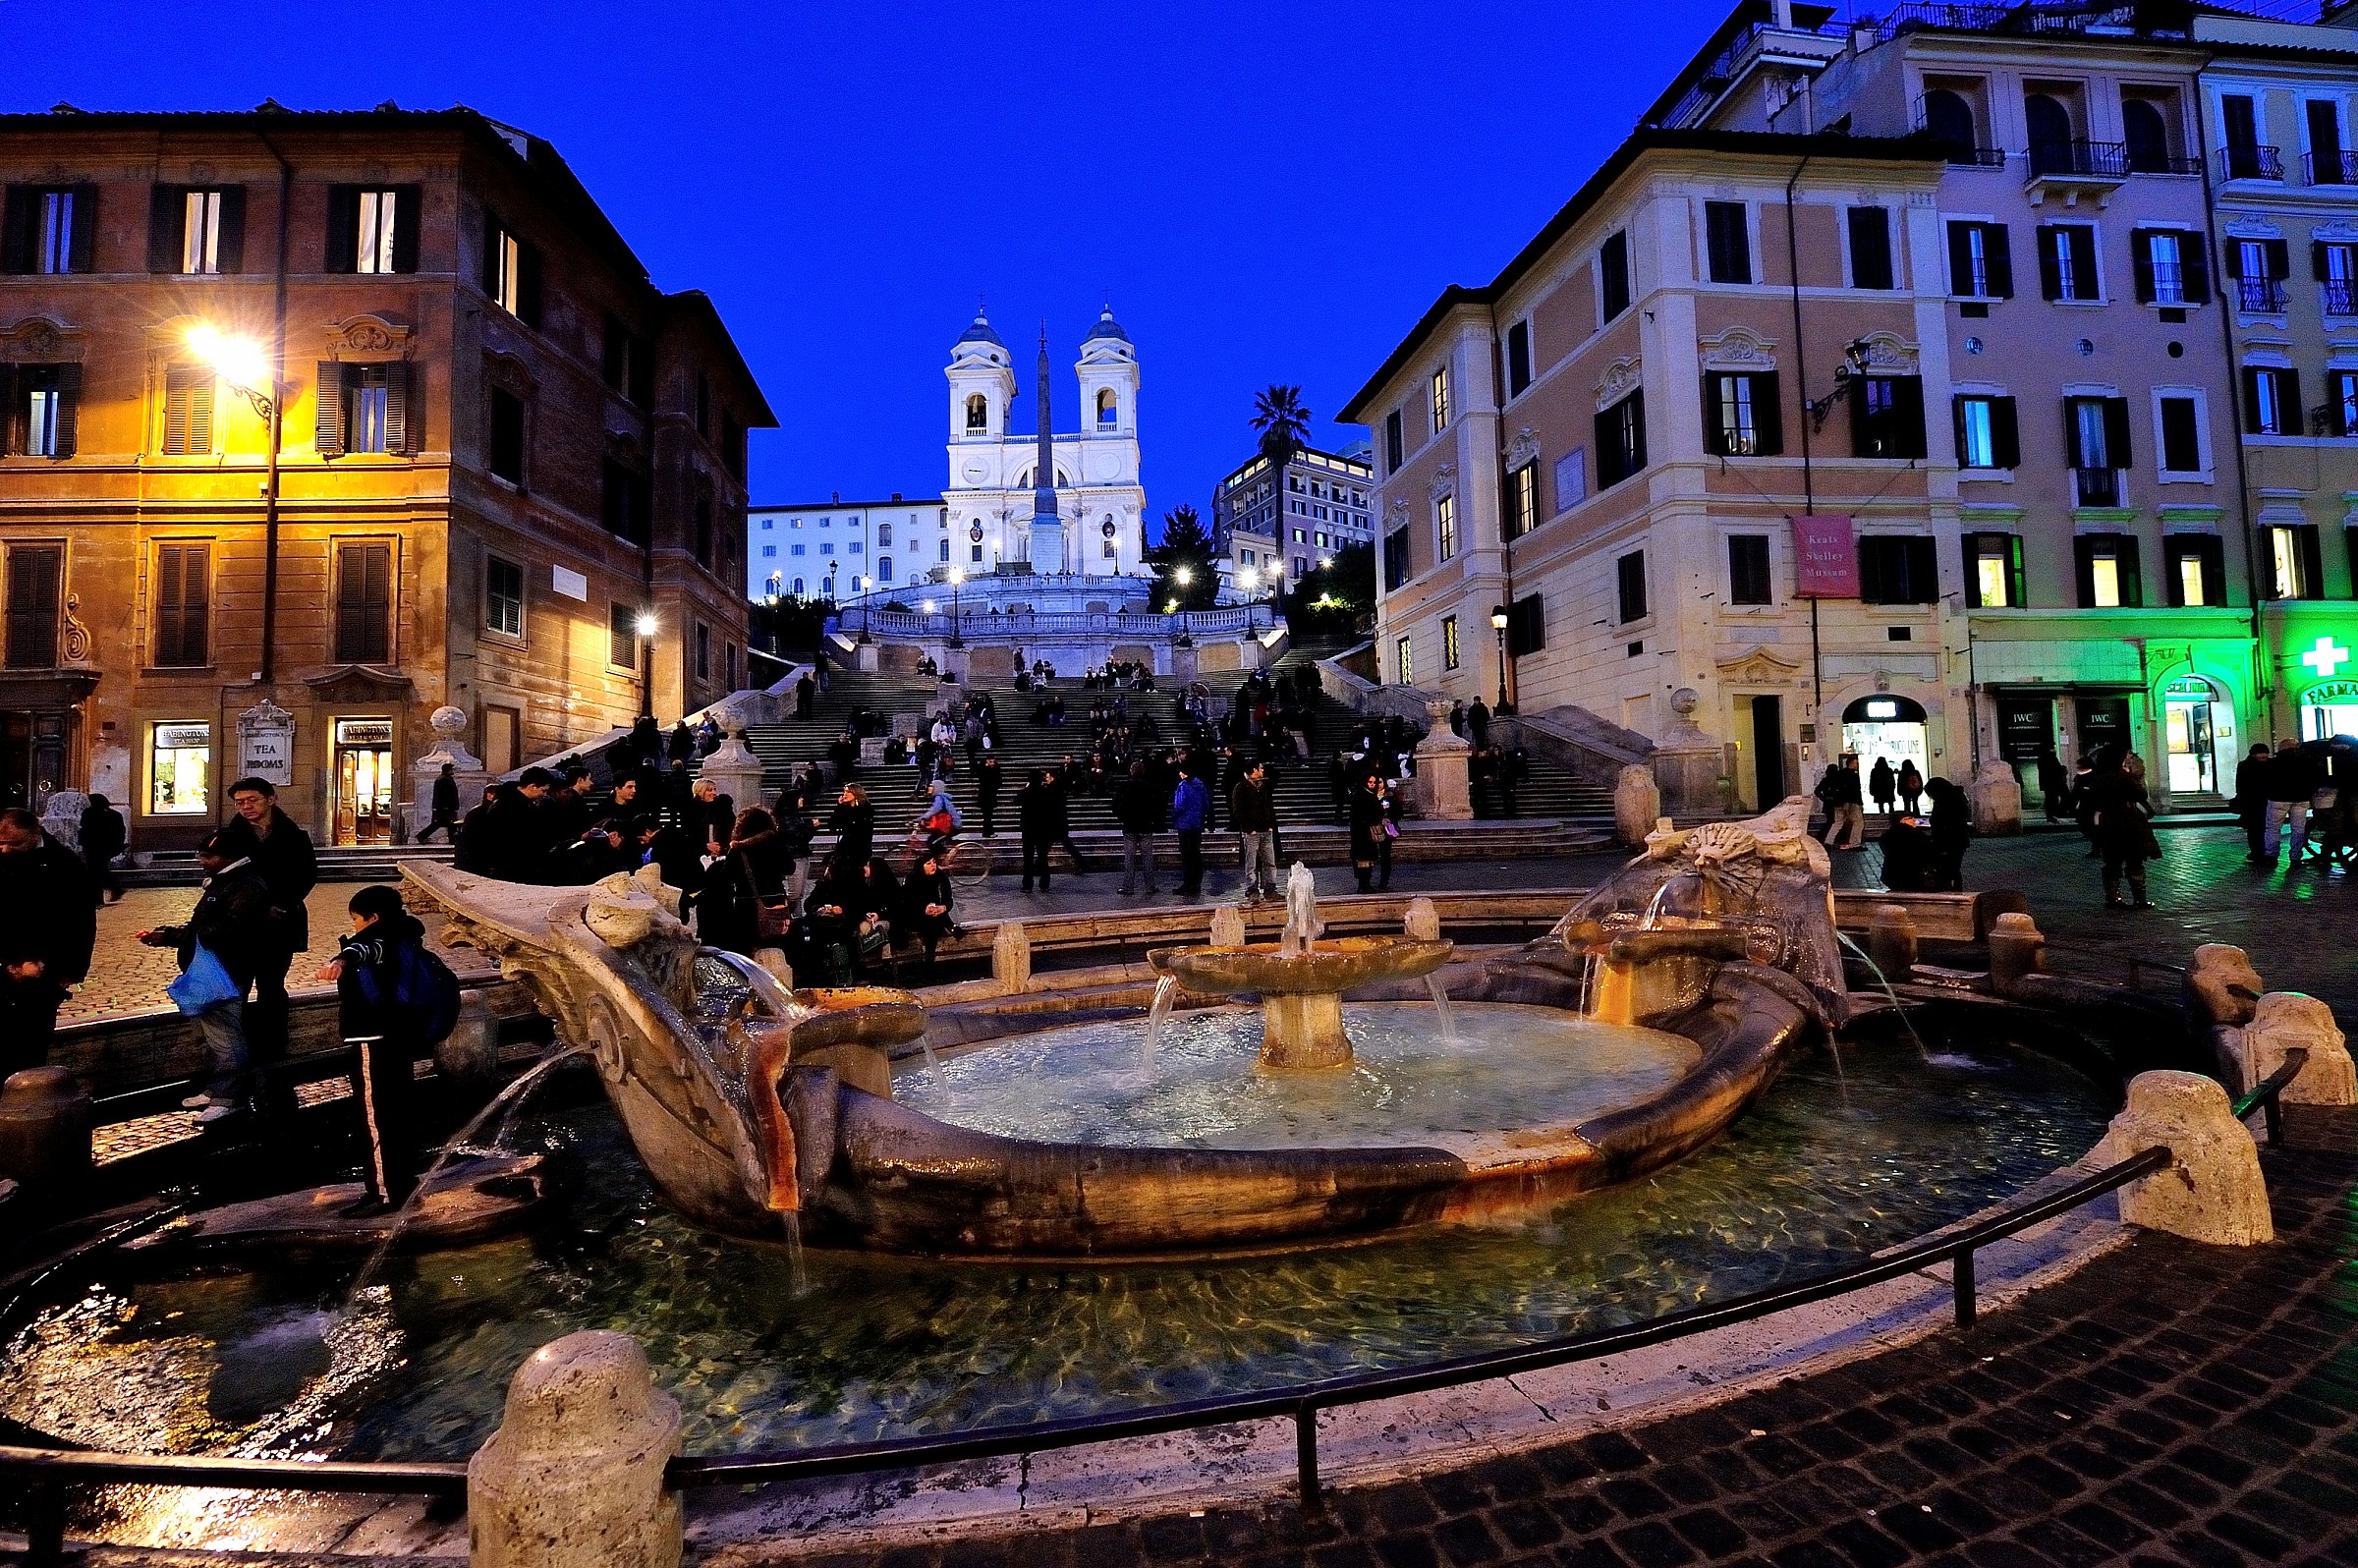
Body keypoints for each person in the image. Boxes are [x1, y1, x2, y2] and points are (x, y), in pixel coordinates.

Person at [317, 885, 438, 1214]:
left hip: (373, 1037)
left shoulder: (379, 939)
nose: (355, 926)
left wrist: (340, 959)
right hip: (400, 1034)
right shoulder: (406, 936)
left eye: (356, 919)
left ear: (373, 917)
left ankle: (385, 1194)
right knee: (398, 1111)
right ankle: (406, 1182)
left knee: (376, 1116)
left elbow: (364, 951)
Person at [137, 831, 271, 1121]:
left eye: (208, 856)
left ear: (229, 858)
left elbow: (225, 929)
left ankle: (228, 1097)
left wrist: (171, 936)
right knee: (210, 1035)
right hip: (211, 968)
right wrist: (171, 933)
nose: (201, 861)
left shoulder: (246, 885)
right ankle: (215, 1088)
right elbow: (205, 923)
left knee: (225, 1036)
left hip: (226, 969)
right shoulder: (225, 881)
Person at [213, 777, 317, 1093]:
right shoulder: (229, 838)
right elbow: (220, 878)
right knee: (239, 986)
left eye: (252, 800)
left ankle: (275, 1048)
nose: (246, 807)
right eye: (240, 802)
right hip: (240, 926)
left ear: (271, 799)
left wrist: (281, 904)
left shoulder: (294, 835)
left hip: (280, 924)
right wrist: (258, 908)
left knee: (272, 985)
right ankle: (239, 1049)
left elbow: (306, 875)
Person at [0, 808, 98, 1074]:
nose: (6, 850)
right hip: (4, 965)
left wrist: (64, 969)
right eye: (1, 843)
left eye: (15, 843)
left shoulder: (64, 865)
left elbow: (79, 924)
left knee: (30, 1044)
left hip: (43, 971)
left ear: (35, 833)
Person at [701, 808, 793, 957]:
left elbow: (727, 877)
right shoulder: (775, 843)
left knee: (747, 950)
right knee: (777, 947)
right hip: (775, 901)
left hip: (746, 905)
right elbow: (789, 868)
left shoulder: (737, 848)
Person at [2084, 750, 2161, 911]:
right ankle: (2139, 899)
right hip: (2129, 822)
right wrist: (2136, 778)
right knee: (2134, 860)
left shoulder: (2098, 779)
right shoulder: (2123, 777)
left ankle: (2113, 898)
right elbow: (2141, 794)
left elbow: (2092, 801)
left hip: (2108, 822)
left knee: (2112, 862)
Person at [2263, 738, 2320, 866]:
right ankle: (2295, 856)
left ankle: (2271, 855)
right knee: (2299, 828)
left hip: (2278, 799)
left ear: (2281, 749)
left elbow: (2266, 781)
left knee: (2273, 828)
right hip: (2301, 799)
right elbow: (2314, 779)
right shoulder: (2307, 761)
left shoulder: (2273, 763)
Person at [1231, 760, 1280, 903]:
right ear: (1254, 770)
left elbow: (1268, 805)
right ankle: (1252, 890)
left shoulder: (1263, 786)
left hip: (1266, 829)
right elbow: (1238, 810)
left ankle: (1270, 889)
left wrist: (1270, 824)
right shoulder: (1240, 787)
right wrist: (1248, 828)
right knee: (1251, 862)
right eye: (1260, 768)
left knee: (1270, 861)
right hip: (1252, 831)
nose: (1263, 770)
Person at [896, 851, 956, 967]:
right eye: (928, 863)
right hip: (914, 914)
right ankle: (949, 926)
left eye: (934, 862)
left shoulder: (941, 877)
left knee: (933, 921)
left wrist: (943, 908)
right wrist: (924, 909)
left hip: (936, 914)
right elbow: (907, 904)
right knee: (931, 922)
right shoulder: (912, 879)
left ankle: (929, 960)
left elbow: (948, 899)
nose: (933, 865)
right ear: (921, 866)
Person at [1113, 759, 1161, 896]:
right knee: (1147, 857)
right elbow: (1157, 805)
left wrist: (1122, 818)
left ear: (1131, 771)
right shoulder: (1149, 786)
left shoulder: (1124, 786)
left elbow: (1115, 805)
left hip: (1129, 826)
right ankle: (1150, 886)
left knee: (1129, 858)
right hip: (1146, 826)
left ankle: (1128, 887)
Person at [1170, 761, 1210, 898]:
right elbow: (1206, 803)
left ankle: (1187, 884)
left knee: (1187, 855)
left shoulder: (1183, 786)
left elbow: (1179, 805)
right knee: (1196, 853)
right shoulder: (1200, 784)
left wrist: (1174, 815)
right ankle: (1196, 884)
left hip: (1184, 824)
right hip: (1197, 823)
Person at [1926, 777, 1973, 891]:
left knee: (1951, 869)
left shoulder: (1949, 799)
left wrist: (1936, 823)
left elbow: (1950, 819)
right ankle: (1953, 890)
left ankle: (1954, 891)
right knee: (1951, 868)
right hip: (1953, 838)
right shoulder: (1951, 797)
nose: (1932, 797)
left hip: (1952, 839)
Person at [1016, 768, 1058, 893]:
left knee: (1028, 858)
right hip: (1043, 829)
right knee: (1043, 857)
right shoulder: (1047, 792)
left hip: (1028, 829)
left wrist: (1026, 788)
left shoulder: (1026, 792)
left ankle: (1027, 884)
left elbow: (1016, 801)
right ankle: (1044, 883)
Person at [80, 792, 126, 903]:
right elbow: (121, 832)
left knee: (96, 871)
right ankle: (110, 890)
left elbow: (84, 828)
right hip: (105, 847)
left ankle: (107, 892)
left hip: (94, 846)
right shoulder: (115, 815)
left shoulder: (89, 813)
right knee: (99, 870)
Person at [2232, 742, 2274, 863]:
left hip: (2261, 801)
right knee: (2256, 829)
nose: (2264, 759)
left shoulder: (2244, 765)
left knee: (2258, 829)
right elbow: (2241, 785)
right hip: (2253, 802)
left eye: (2265, 756)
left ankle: (2260, 852)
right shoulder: (2246, 766)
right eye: (2261, 756)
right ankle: (2258, 852)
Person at [1349, 773, 1389, 893]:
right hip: (1362, 834)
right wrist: (1380, 811)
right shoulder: (1363, 796)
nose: (1372, 785)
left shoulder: (1367, 795)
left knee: (1367, 859)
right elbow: (1365, 814)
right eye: (1370, 782)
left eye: (1374, 782)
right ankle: (1363, 885)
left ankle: (1366, 884)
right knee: (1363, 860)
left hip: (1365, 833)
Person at [1816, 755, 1865, 850]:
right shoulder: (1853, 774)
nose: (1857, 765)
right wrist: (1860, 803)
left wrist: (1827, 798)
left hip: (1838, 803)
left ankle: (1828, 842)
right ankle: (1855, 844)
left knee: (1837, 823)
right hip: (1851, 802)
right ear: (1851, 763)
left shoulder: (1839, 774)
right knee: (1858, 822)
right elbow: (1856, 790)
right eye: (1856, 763)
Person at [828, 782, 875, 872]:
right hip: (844, 850)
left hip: (860, 849)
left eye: (848, 792)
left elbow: (863, 829)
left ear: (856, 793)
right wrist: (839, 807)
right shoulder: (843, 809)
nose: (844, 794)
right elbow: (832, 825)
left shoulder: (866, 809)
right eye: (844, 792)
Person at [418, 764, 462, 845]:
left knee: (446, 824)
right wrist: (447, 806)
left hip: (446, 807)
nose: (453, 771)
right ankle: (453, 841)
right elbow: (444, 795)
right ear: (448, 770)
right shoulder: (444, 780)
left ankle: (453, 841)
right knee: (447, 824)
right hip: (445, 807)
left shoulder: (445, 779)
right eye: (452, 769)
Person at [2036, 749, 2071, 824]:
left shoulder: (2042, 758)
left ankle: (2053, 816)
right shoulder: (2050, 758)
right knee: (2060, 797)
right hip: (2055, 782)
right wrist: (2062, 770)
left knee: (2051, 799)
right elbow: (2055, 770)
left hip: (2049, 783)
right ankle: (2058, 814)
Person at [976, 753, 1004, 837]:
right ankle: (988, 832)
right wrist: (988, 768)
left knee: (988, 815)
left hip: (991, 794)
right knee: (987, 815)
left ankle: (988, 831)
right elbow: (980, 777)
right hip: (984, 795)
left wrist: (993, 768)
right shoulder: (981, 767)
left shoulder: (997, 768)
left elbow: (999, 781)